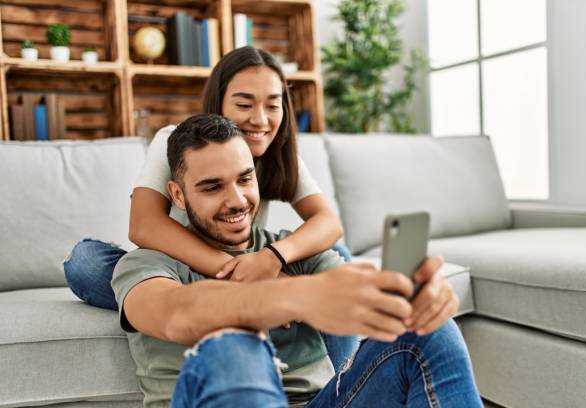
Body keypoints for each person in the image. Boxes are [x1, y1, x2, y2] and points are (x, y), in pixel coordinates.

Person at [112, 113, 482, 408]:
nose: (237, 200)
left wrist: (414, 298)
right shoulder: (147, 263)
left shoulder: (292, 251)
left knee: (432, 329)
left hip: (325, 402)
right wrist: (296, 297)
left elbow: (353, 289)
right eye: (212, 187)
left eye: (245, 179)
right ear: (177, 195)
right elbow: (177, 315)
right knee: (233, 348)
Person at [63, 46, 355, 368]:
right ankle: (224, 299)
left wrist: (274, 258)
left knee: (336, 256)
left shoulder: (279, 153)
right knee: (86, 261)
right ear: (219, 103)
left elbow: (329, 223)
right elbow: (144, 226)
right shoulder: (176, 141)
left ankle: (351, 379)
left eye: (273, 105)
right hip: (181, 269)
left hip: (248, 259)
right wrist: (236, 275)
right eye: (244, 104)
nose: (259, 119)